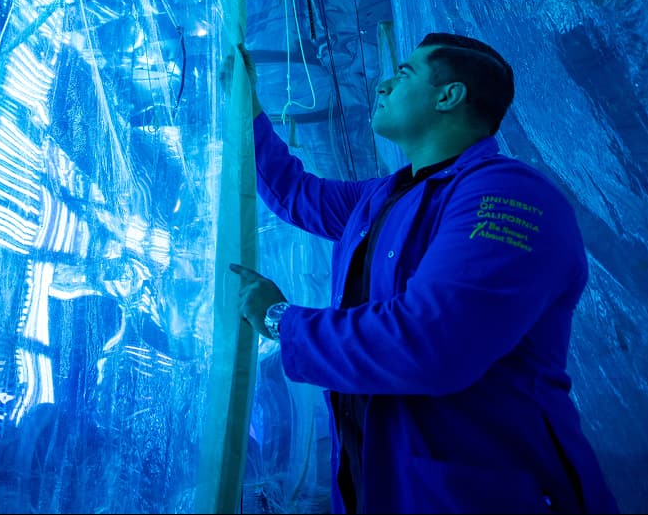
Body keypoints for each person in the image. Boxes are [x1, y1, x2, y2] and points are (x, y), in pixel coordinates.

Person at [229, 32, 618, 514]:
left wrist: (280, 320)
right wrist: (246, 109)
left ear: (448, 95)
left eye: (404, 74)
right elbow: (294, 193)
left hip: (483, 493)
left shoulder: (509, 195)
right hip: (386, 481)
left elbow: (432, 342)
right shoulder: (384, 197)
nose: (382, 85)